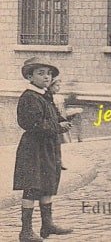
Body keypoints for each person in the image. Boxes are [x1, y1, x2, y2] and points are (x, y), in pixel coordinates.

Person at [14, 57, 73, 242]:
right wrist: (59, 127)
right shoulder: (29, 97)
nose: (46, 77)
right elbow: (33, 124)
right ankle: (26, 232)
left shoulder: (44, 96)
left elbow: (54, 116)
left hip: (48, 147)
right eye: (41, 73)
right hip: (33, 148)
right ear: (30, 76)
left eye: (48, 73)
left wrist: (62, 120)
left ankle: (47, 224)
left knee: (47, 184)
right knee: (32, 187)